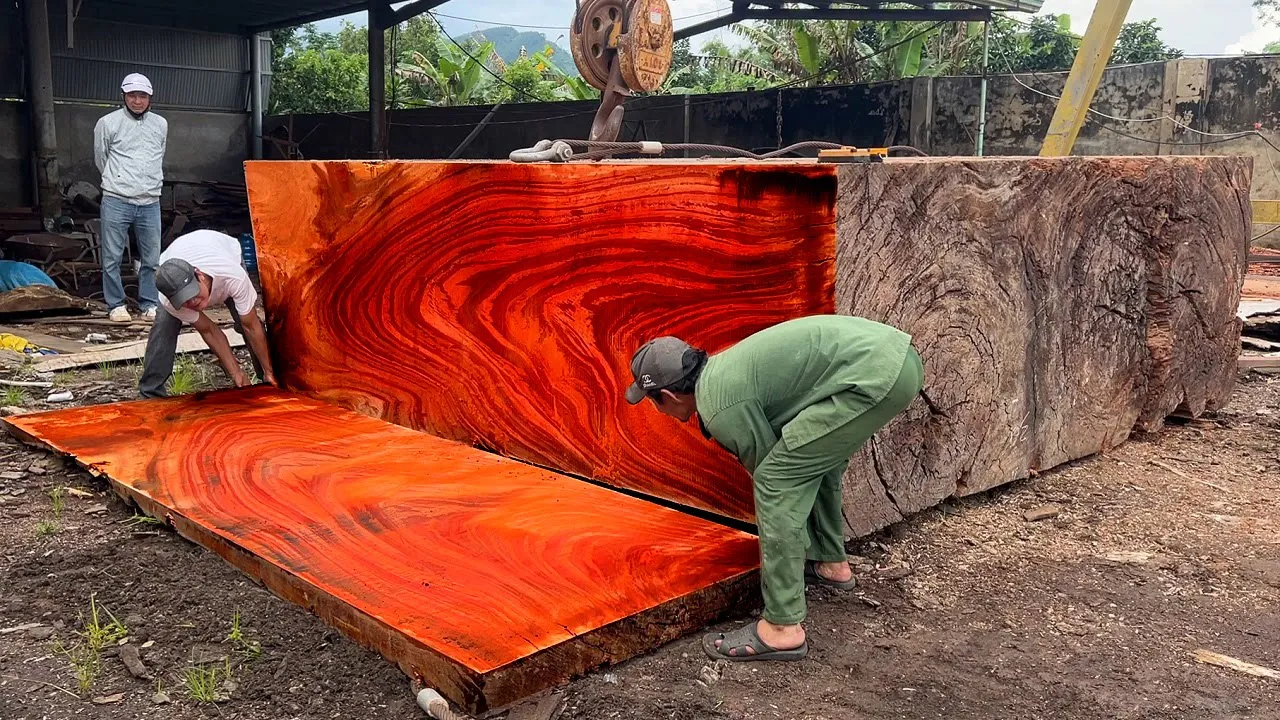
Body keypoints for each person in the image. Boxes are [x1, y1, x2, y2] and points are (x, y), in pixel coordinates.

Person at [624, 314, 924, 662]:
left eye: (652, 401)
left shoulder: (721, 407)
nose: (655, 408)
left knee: (777, 480)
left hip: (876, 375)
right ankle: (831, 563)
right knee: (809, 459)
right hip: (894, 359)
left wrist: (785, 541)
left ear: (667, 395)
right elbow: (794, 461)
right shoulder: (723, 373)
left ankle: (782, 628)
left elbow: (775, 481)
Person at [140, 229, 276, 398]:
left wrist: (269, 370)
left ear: (200, 276)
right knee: (164, 326)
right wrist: (236, 373)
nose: (192, 302)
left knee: (245, 321)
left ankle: (269, 378)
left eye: (193, 293)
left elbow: (251, 326)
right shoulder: (169, 301)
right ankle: (151, 392)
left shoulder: (232, 275)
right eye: (184, 300)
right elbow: (209, 330)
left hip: (223, 250)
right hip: (172, 262)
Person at [94, 73, 167, 323]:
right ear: (123, 96)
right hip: (117, 199)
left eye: (142, 96)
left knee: (152, 259)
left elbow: (159, 155)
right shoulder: (108, 123)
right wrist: (118, 180)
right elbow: (101, 158)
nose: (137, 101)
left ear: (150, 98)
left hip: (150, 201)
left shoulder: (160, 124)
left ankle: (149, 303)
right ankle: (116, 305)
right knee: (112, 257)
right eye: (132, 95)